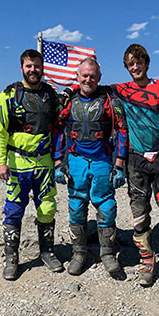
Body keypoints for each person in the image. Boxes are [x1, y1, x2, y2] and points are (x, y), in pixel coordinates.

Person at [109, 44, 159, 289]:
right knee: (139, 214)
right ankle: (148, 262)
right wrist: (68, 90)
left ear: (147, 63)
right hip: (135, 160)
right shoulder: (121, 90)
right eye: (130, 64)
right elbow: (92, 87)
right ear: (127, 67)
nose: (135, 67)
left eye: (139, 62)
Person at [0, 49, 63, 281]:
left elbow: (59, 125)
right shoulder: (9, 94)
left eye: (37, 66)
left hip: (44, 162)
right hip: (17, 163)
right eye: (29, 66)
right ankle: (12, 259)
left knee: (47, 208)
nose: (33, 70)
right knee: (14, 210)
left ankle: (47, 252)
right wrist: (1, 162)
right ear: (22, 67)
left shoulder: (50, 94)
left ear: (42, 67)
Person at [53, 57, 128, 276]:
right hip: (76, 161)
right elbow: (57, 130)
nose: (88, 79)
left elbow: (123, 131)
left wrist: (120, 165)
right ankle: (79, 253)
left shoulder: (110, 101)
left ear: (99, 78)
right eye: (84, 75)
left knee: (107, 207)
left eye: (92, 76)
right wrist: (58, 163)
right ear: (77, 76)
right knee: (76, 207)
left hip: (103, 162)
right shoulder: (67, 101)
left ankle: (107, 253)